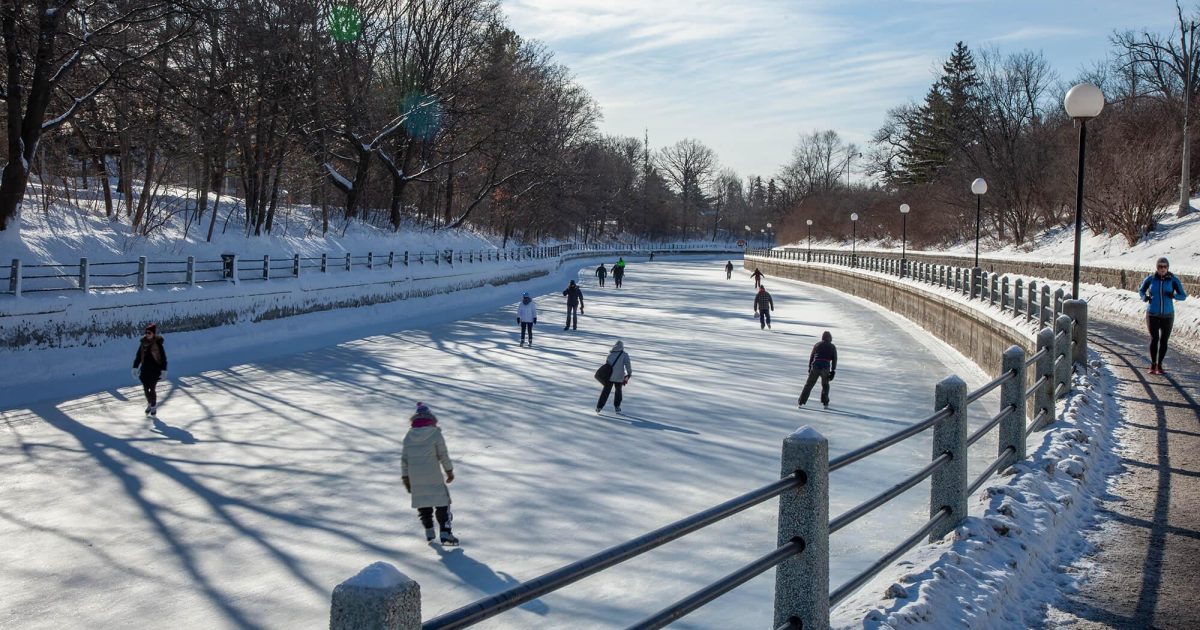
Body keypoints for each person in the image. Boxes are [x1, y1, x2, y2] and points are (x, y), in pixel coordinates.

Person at [402, 402, 458, 545]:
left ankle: (429, 530)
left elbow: (404, 459)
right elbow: (443, 454)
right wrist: (449, 471)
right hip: (433, 474)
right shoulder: (435, 433)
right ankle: (445, 533)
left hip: (415, 476)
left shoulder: (408, 436)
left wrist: (406, 477)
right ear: (431, 419)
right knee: (442, 502)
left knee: (423, 501)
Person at [1139, 257, 1188, 374]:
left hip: (1168, 315)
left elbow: (1183, 296)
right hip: (1152, 314)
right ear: (1157, 267)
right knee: (1154, 339)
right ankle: (1152, 364)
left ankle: (1160, 365)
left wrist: (1174, 296)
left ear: (1168, 268)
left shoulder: (1173, 280)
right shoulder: (1150, 279)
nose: (1162, 269)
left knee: (1164, 340)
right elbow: (1141, 290)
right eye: (1160, 266)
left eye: (1164, 266)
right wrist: (1144, 297)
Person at [131, 323, 168, 417]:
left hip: (155, 370)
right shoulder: (143, 343)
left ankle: (153, 406)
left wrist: (164, 370)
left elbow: (163, 358)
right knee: (145, 390)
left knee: (152, 389)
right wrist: (135, 367)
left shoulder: (158, 344)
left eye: (149, 333)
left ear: (153, 334)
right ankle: (149, 403)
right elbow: (138, 356)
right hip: (144, 370)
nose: (147, 334)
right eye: (146, 332)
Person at [799, 331, 838, 409]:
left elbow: (812, 356)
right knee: (825, 385)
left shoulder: (817, 345)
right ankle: (825, 402)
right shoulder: (832, 346)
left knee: (809, 385)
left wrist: (810, 367)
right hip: (825, 367)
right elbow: (834, 359)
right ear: (830, 338)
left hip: (815, 366)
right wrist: (833, 370)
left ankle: (801, 401)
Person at [596, 340, 632, 414]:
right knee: (618, 391)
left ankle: (599, 407)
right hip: (619, 377)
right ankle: (617, 406)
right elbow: (628, 365)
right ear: (622, 347)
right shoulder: (624, 355)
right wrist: (629, 374)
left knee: (605, 392)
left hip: (610, 377)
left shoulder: (610, 354)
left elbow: (607, 365)